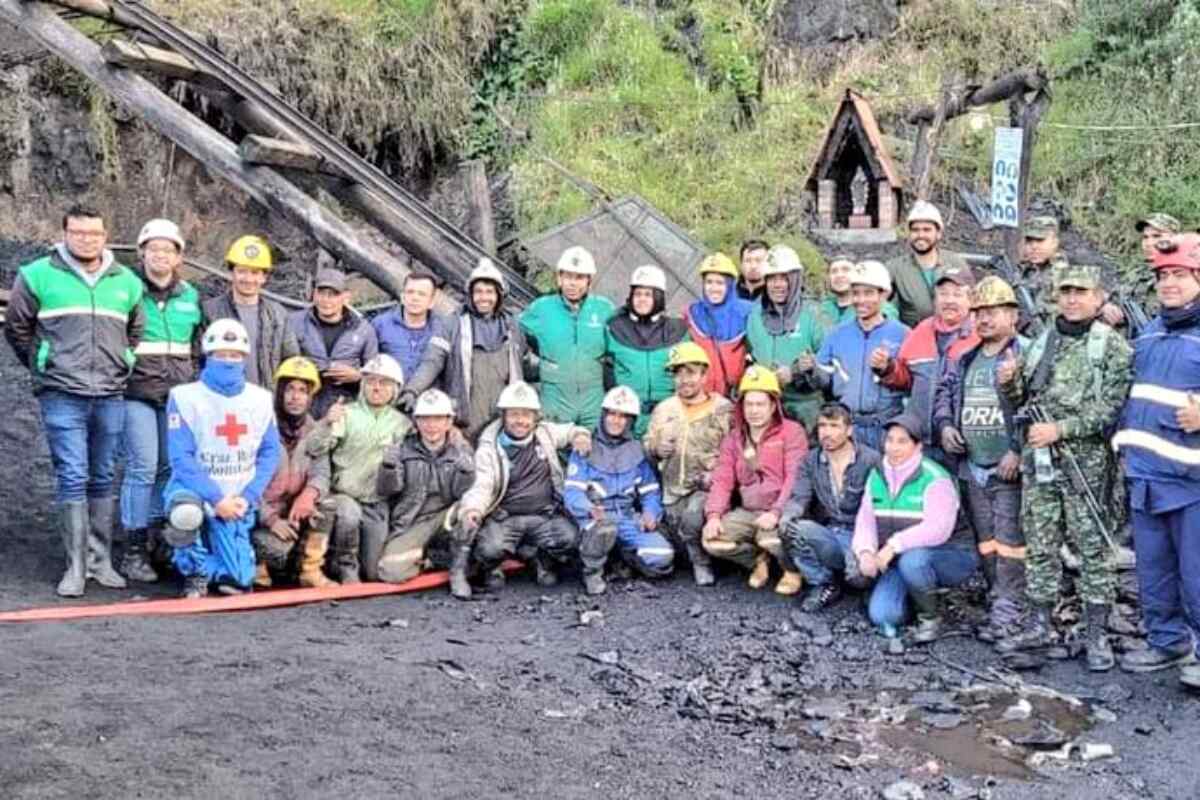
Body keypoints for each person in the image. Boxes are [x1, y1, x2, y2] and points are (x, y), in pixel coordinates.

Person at [996, 265, 1133, 672]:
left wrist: (1061, 429)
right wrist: (1009, 382)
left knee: (1093, 549)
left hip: (1086, 465)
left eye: (1081, 292)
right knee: (1040, 543)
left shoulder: (1112, 347)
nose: (1072, 299)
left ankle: (1096, 634)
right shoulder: (1042, 341)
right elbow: (1025, 398)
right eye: (1066, 292)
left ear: (1098, 297)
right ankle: (1039, 625)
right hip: (1040, 464)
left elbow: (1111, 409)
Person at [5, 204, 146, 597]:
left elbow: (135, 330)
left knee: (103, 475)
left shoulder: (127, 282)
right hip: (62, 393)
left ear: (105, 235)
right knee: (72, 474)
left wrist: (125, 361)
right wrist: (43, 365)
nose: (88, 239)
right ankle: (76, 568)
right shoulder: (37, 275)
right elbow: (17, 328)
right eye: (79, 233)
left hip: (110, 393)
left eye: (95, 233)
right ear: (65, 234)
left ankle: (101, 562)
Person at [1113, 235, 1200, 685]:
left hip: (1192, 484)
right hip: (1145, 478)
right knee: (1154, 573)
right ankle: (1168, 643)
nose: (1169, 284)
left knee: (1197, 576)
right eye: (1163, 276)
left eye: (1179, 275)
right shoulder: (1149, 333)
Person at [932, 276, 1025, 643]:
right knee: (985, 541)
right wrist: (944, 427)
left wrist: (1017, 450)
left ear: (1012, 315)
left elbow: (1035, 407)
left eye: (993, 312)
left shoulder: (1024, 354)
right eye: (980, 313)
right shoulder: (966, 358)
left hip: (1007, 468)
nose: (984, 320)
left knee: (1010, 543)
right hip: (972, 465)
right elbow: (944, 394)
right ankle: (997, 599)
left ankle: (1010, 611)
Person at [162, 320, 281, 598]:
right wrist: (216, 499)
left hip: (239, 495)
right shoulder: (184, 397)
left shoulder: (261, 399)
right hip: (194, 489)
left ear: (244, 358)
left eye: (235, 355)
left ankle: (217, 564)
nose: (228, 361)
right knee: (186, 514)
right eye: (221, 354)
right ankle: (194, 570)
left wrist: (248, 496)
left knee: (239, 580)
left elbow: (270, 452)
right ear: (208, 356)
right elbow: (181, 457)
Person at [118, 219, 202, 583]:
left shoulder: (190, 296)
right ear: (142, 253)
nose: (160, 256)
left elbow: (197, 346)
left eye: (168, 249)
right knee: (142, 467)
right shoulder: (128, 290)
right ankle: (133, 548)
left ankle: (158, 541)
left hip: (176, 398)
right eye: (154, 249)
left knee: (168, 469)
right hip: (136, 393)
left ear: (178, 256)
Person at [852, 413, 978, 647]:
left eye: (903, 441)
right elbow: (865, 520)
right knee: (883, 616)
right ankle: (915, 595)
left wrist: (892, 545)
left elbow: (938, 529)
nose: (894, 448)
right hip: (899, 559)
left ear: (917, 445)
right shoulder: (877, 474)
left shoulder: (934, 477)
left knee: (914, 561)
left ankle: (930, 618)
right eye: (890, 440)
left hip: (951, 556)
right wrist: (866, 552)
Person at [457, 381, 591, 599]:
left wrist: (581, 436)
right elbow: (482, 485)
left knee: (571, 537)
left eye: (526, 415)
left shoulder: (545, 433)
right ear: (503, 416)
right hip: (505, 518)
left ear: (535, 417)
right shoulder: (489, 446)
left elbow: (572, 431)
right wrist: (472, 509)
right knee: (489, 548)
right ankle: (494, 566)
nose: (520, 420)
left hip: (543, 516)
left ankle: (540, 557)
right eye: (514, 414)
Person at [702, 366, 808, 593]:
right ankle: (757, 561)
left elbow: (795, 478)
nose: (754, 410)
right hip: (749, 511)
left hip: (780, 510)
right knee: (711, 541)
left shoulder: (792, 432)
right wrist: (713, 515)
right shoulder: (734, 439)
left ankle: (791, 570)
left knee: (773, 539)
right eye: (749, 404)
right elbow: (722, 480)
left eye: (760, 404)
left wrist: (777, 512)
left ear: (773, 405)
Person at [307, 353, 411, 583]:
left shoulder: (403, 424)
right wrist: (326, 423)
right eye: (371, 381)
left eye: (384, 383)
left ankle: (356, 563)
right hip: (344, 494)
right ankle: (346, 565)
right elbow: (314, 448)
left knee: (375, 573)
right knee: (349, 516)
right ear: (362, 384)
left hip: (377, 501)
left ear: (395, 389)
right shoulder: (346, 413)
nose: (376, 388)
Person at [404, 258, 531, 440]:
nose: (484, 297)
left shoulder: (512, 327)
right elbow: (432, 361)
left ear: (499, 295)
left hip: (504, 417)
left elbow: (524, 364)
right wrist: (413, 389)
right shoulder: (452, 324)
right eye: (478, 292)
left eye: (490, 292)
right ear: (470, 294)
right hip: (465, 420)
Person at [644, 343, 734, 586]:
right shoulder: (664, 409)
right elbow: (647, 447)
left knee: (694, 518)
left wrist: (715, 474)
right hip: (672, 490)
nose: (684, 379)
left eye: (691, 372)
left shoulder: (723, 410)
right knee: (671, 535)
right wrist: (655, 448)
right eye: (678, 373)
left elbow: (735, 453)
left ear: (704, 375)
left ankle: (701, 563)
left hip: (706, 487)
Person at [565, 386, 669, 595]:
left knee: (661, 556)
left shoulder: (637, 450)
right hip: (595, 517)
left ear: (630, 421)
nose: (616, 420)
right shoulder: (586, 447)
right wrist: (588, 508)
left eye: (623, 416)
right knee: (603, 531)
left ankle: (622, 558)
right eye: (612, 414)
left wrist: (651, 513)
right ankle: (592, 572)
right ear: (603, 415)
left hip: (626, 517)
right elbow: (572, 494)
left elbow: (650, 491)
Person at [874, 264, 979, 466]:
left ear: (971, 299)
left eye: (957, 294)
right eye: (943, 294)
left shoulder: (979, 334)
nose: (949, 300)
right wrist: (886, 368)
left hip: (964, 443)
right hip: (922, 440)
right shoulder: (921, 331)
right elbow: (905, 378)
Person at [780, 402, 881, 611]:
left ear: (849, 430)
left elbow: (881, 509)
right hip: (832, 531)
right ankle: (824, 583)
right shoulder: (811, 460)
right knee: (790, 528)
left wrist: (869, 548)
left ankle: (864, 581)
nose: (827, 433)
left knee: (859, 580)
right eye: (822, 426)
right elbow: (800, 497)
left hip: (862, 535)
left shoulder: (870, 460)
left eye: (834, 426)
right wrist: (788, 515)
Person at [374, 389, 476, 586]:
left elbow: (464, 494)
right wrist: (388, 468)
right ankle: (430, 560)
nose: (431, 426)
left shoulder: (461, 451)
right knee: (390, 571)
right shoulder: (403, 449)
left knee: (471, 524)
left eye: (438, 419)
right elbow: (387, 491)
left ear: (449, 422)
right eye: (425, 419)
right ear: (416, 422)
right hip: (413, 520)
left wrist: (467, 475)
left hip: (446, 517)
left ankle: (449, 562)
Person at [805, 261, 910, 451]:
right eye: (856, 293)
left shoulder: (903, 334)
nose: (861, 300)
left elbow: (912, 382)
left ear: (884, 294)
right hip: (848, 426)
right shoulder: (837, 334)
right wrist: (812, 369)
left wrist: (889, 367)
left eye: (868, 293)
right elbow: (825, 379)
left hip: (888, 427)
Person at [251, 357, 335, 589]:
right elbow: (241, 484)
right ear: (279, 392)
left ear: (311, 397)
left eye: (302, 391)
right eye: (289, 389)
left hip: (294, 510)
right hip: (260, 514)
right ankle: (257, 567)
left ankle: (310, 570)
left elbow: (322, 472)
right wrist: (270, 519)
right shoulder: (259, 427)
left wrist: (309, 494)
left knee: (326, 504)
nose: (295, 397)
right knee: (276, 550)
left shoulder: (314, 430)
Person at [520, 246, 616, 428]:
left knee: (593, 449)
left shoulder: (605, 309)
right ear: (559, 278)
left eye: (579, 277)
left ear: (589, 280)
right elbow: (514, 334)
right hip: (555, 401)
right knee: (553, 450)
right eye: (568, 276)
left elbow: (619, 348)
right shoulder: (541, 309)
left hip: (593, 401)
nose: (573, 283)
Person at [745, 244, 833, 431]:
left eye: (784, 279)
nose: (777, 285)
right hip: (765, 410)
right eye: (772, 279)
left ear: (795, 280)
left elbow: (832, 372)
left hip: (807, 411)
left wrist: (801, 371)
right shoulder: (754, 315)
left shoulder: (816, 314)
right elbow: (748, 357)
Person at [201, 235, 300, 389]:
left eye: (255, 273)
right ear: (231, 273)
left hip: (265, 401)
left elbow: (291, 361)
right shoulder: (209, 311)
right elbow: (196, 359)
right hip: (219, 399)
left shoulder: (278, 315)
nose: (248, 279)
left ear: (264, 277)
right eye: (242, 271)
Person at [604, 265, 690, 437]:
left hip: (668, 417)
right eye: (637, 294)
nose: (642, 299)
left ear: (658, 297)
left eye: (648, 294)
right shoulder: (615, 328)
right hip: (627, 416)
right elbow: (604, 366)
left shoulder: (678, 330)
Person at [289, 268, 378, 419]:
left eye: (333, 295)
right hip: (303, 406)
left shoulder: (364, 329)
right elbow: (283, 363)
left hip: (346, 408)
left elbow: (376, 374)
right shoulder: (294, 322)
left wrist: (358, 376)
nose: (326, 300)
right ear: (313, 294)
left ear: (346, 297)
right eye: (321, 293)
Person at [885, 201, 969, 328]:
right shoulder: (895, 268)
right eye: (915, 230)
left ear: (938, 233)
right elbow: (879, 303)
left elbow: (972, 302)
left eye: (927, 230)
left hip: (953, 334)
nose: (920, 235)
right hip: (913, 337)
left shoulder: (955, 263)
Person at [682, 252, 752, 397]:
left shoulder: (747, 313)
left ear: (730, 285)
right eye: (709, 282)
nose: (713, 288)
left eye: (720, 283)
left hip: (736, 396)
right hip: (700, 396)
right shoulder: (692, 314)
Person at [372, 271, 450, 386]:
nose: (415, 298)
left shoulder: (444, 328)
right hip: (387, 396)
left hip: (428, 399)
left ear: (432, 301)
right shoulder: (380, 324)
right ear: (402, 297)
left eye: (421, 294)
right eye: (410, 292)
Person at [821, 254, 899, 324]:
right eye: (834, 271)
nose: (839, 275)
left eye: (845, 270)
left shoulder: (882, 308)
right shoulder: (821, 309)